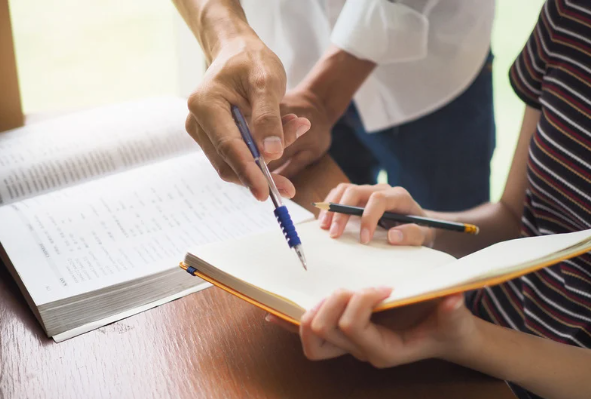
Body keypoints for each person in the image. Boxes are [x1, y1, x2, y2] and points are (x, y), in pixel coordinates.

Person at [266, 1, 591, 398]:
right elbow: (512, 219)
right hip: (471, 343)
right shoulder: (571, 15)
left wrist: (469, 342)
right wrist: (424, 226)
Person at [172, 0, 495, 211]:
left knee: (449, 262)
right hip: (286, 65)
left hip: (429, 74)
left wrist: (321, 99)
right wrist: (227, 37)